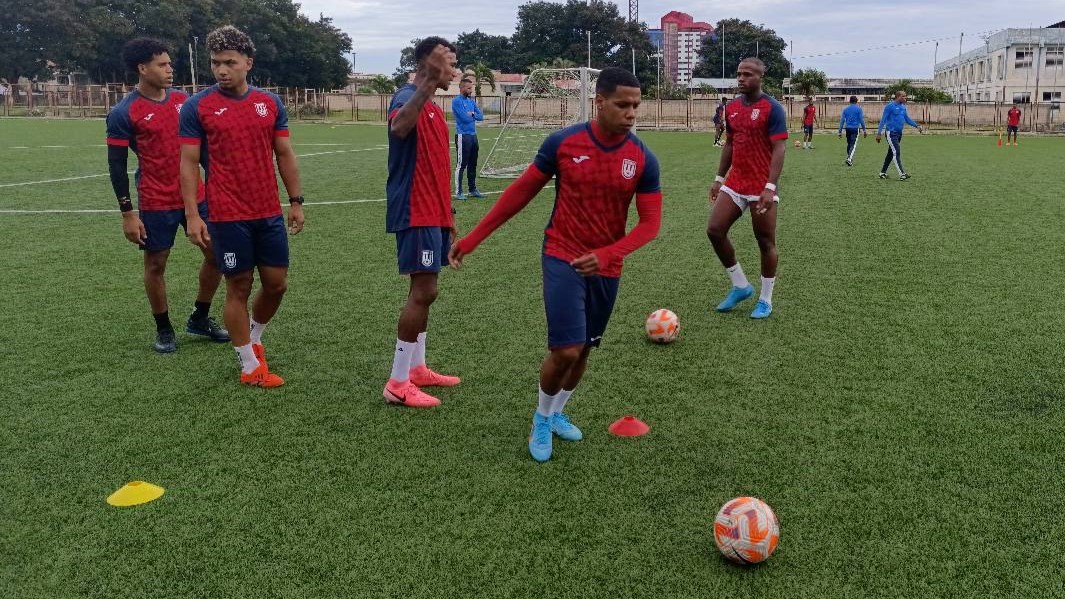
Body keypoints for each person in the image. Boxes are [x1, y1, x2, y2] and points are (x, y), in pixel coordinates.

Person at [449, 67, 662, 462]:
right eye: (622, 104)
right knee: (566, 349)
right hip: (562, 253)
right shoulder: (563, 143)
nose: (631, 113)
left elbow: (651, 225)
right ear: (599, 102)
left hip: (605, 267)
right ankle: (541, 418)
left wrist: (610, 254)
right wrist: (474, 239)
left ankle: (558, 410)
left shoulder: (642, 158)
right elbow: (520, 192)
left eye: (636, 104)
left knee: (584, 352)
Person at [179, 25, 305, 388]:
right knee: (239, 285)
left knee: (277, 285)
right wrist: (191, 215)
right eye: (216, 63)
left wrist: (295, 201)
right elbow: (188, 163)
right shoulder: (197, 107)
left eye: (229, 62)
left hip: (267, 211)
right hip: (225, 213)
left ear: (247, 63)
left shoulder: (270, 103)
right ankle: (250, 366)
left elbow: (284, 153)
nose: (221, 70)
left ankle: (254, 336)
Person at [105, 38, 229, 353]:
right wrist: (128, 213)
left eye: (170, 63)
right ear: (142, 68)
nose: (169, 69)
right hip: (156, 200)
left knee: (217, 254)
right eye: (162, 64)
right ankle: (163, 328)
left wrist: (218, 184)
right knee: (156, 264)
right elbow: (116, 166)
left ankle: (200, 317)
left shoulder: (184, 102)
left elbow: (202, 151)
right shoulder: (124, 112)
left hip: (198, 195)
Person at [383, 37, 462, 408]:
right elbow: (398, 128)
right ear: (428, 66)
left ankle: (417, 368)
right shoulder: (406, 98)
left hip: (434, 213)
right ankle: (398, 382)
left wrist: (450, 218)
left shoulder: (433, 107)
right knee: (423, 290)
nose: (454, 71)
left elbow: (436, 168)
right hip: (415, 211)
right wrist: (427, 82)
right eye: (449, 63)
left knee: (429, 290)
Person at [707, 57, 788, 320]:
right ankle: (741, 285)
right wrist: (719, 178)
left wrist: (770, 186)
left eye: (748, 74)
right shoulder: (731, 108)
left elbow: (779, 148)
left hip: (761, 186)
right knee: (715, 230)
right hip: (735, 182)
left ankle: (765, 299)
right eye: (739, 74)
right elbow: (730, 144)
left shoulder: (772, 108)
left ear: (760, 77)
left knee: (765, 241)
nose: (742, 78)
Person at [876, 90, 923, 180]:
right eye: (904, 96)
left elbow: (907, 119)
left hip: (899, 134)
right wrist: (879, 133)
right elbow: (883, 120)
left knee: (891, 153)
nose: (906, 98)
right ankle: (902, 174)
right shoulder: (889, 106)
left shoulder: (903, 107)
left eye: (906, 96)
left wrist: (916, 126)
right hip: (891, 133)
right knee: (896, 152)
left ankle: (882, 172)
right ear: (898, 97)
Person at [452, 78, 485, 199]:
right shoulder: (456, 101)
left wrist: (472, 114)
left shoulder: (471, 101)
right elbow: (464, 119)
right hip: (462, 136)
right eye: (469, 88)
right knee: (461, 164)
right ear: (462, 88)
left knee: (473, 163)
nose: (471, 90)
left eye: (472, 88)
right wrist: (472, 116)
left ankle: (472, 190)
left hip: (473, 136)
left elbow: (481, 117)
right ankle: (459, 192)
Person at [837, 95, 868, 166]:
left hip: (847, 128)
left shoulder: (845, 109)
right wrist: (864, 130)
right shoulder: (859, 109)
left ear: (849, 101)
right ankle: (849, 159)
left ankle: (849, 157)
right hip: (855, 128)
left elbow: (842, 121)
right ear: (856, 101)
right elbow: (861, 120)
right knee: (853, 144)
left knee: (849, 144)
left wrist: (840, 131)